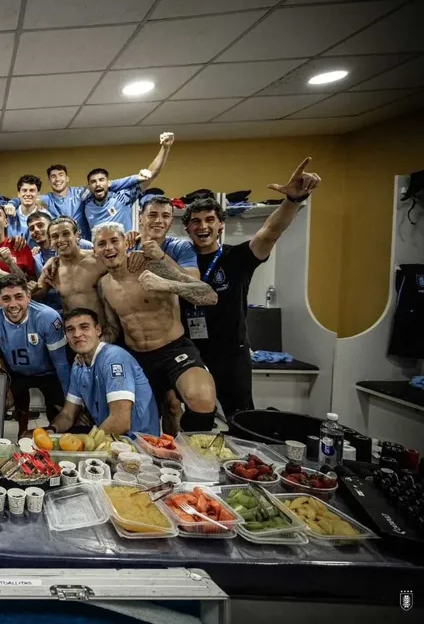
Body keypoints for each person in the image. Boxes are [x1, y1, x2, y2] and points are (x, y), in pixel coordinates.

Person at [181, 158, 322, 419]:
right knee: (194, 420)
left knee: (240, 419)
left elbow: (270, 232)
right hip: (190, 352)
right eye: (196, 221)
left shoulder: (237, 257)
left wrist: (292, 201)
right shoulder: (180, 260)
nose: (203, 227)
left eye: (210, 220)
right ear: (187, 227)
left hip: (230, 354)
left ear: (220, 224)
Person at [93, 221, 219, 432]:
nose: (109, 248)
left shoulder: (150, 264)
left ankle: (195, 454)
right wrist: (92, 348)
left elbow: (209, 295)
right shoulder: (103, 285)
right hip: (137, 357)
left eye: (114, 241)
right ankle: (167, 456)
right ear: (95, 251)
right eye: (101, 244)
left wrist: (167, 285)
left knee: (202, 399)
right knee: (154, 414)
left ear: (126, 243)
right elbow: (114, 329)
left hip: (174, 349)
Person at [42, 308, 159, 437]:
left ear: (98, 330)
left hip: (137, 442)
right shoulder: (78, 365)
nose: (77, 334)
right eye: (70, 329)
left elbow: (120, 421)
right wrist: (51, 430)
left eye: (84, 327)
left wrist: (87, 446)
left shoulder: (114, 358)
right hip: (108, 437)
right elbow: (68, 414)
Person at [0, 274, 70, 433]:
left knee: (60, 411)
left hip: (49, 372)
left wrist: (70, 403)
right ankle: (16, 431)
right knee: (5, 402)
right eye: (6, 299)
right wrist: (1, 380)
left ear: (28, 296)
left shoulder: (47, 317)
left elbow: (61, 364)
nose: (13, 304)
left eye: (18, 297)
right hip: (15, 372)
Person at [84, 132, 175, 232]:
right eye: (93, 182)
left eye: (101, 180)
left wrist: (165, 148)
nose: (98, 184)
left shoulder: (123, 198)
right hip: (98, 247)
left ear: (109, 183)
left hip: (125, 247)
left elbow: (151, 175)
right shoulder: (85, 202)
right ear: (89, 186)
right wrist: (133, 178)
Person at [135, 195, 198, 277]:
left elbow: (195, 281)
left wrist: (162, 257)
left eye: (165, 216)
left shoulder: (181, 247)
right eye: (152, 215)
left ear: (171, 222)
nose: (158, 221)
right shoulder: (129, 245)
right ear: (140, 219)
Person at [43, 163, 91, 240]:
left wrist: (110, 183)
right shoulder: (46, 199)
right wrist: (15, 203)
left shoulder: (80, 193)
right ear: (49, 181)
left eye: (61, 175)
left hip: (85, 244)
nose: (57, 179)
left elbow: (101, 185)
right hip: (61, 245)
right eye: (53, 176)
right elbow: (27, 198)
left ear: (67, 178)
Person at [3, 174, 44, 241]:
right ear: (18, 194)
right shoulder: (8, 213)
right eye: (24, 190)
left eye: (32, 190)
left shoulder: (44, 216)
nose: (28, 194)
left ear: (38, 194)